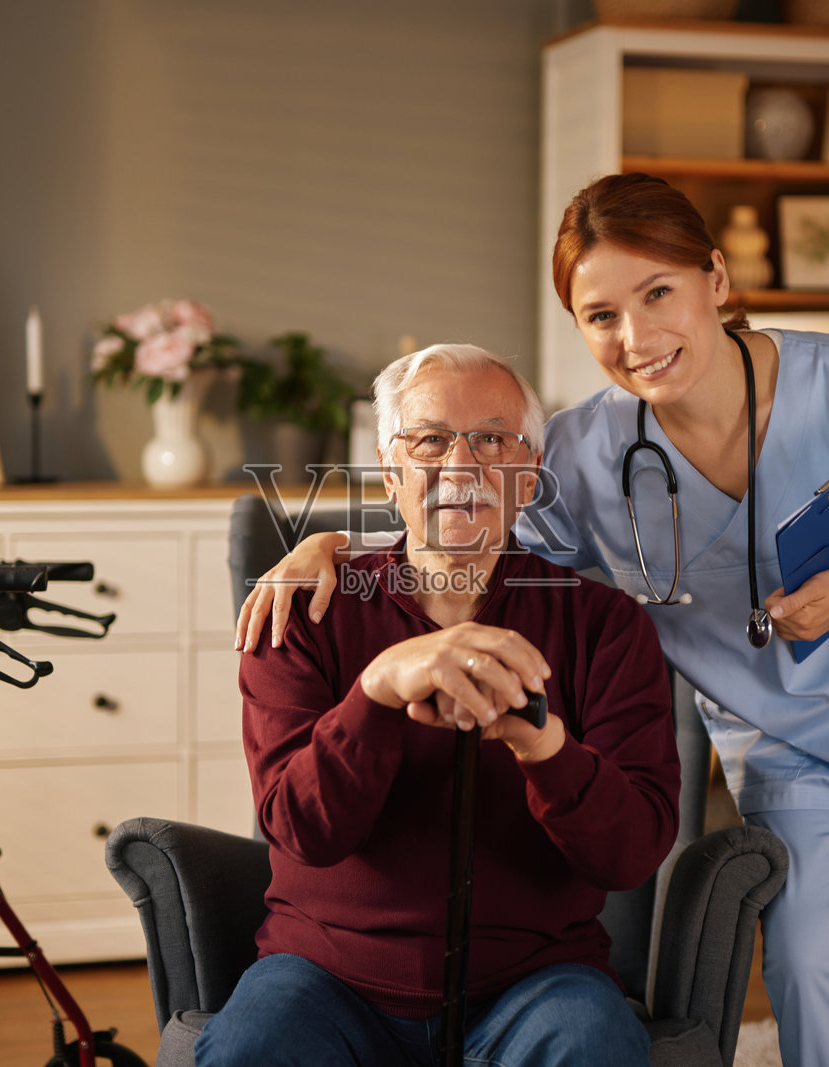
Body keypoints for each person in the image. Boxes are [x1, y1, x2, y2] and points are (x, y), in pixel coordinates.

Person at [235, 174, 829, 1067]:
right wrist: (334, 544)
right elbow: (468, 517)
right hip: (792, 739)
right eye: (600, 314)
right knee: (816, 967)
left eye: (658, 293)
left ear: (716, 279)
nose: (636, 338)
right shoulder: (588, 449)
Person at [199, 344, 680, 1067]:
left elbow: (633, 852)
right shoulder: (301, 612)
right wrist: (375, 692)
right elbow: (303, 829)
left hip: (539, 980)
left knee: (594, 1046)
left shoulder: (606, 624)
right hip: (324, 977)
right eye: (429, 439)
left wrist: (545, 749)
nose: (461, 466)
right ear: (391, 475)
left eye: (491, 438)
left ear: (530, 476)